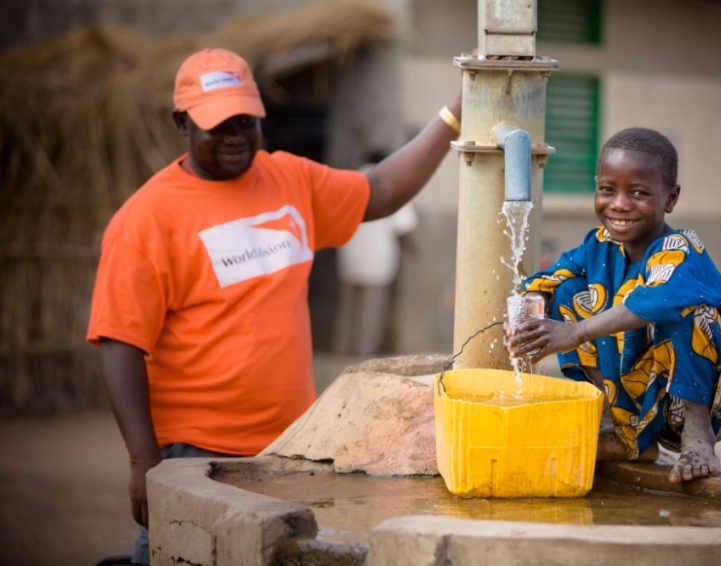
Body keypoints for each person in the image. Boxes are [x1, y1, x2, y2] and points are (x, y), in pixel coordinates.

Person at [86, 47, 462, 565]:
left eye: (246, 120)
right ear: (182, 123)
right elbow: (120, 343)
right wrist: (142, 462)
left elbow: (380, 191)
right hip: (195, 456)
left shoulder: (289, 179)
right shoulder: (146, 219)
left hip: (290, 449)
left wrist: (455, 115)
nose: (237, 135)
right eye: (219, 124)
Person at [504, 127, 721, 485]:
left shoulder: (679, 248)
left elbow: (657, 300)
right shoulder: (599, 245)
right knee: (569, 290)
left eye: (639, 193)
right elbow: (547, 279)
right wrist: (527, 317)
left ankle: (697, 437)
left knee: (685, 308)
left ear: (670, 199)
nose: (619, 204)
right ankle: (621, 429)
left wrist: (575, 332)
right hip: (648, 396)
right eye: (607, 190)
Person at [334, 152, 419, 355]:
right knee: (372, 310)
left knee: (348, 308)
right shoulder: (388, 183)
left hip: (350, 257)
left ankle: (343, 348)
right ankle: (365, 350)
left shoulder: (349, 181)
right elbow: (402, 226)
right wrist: (411, 248)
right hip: (378, 259)